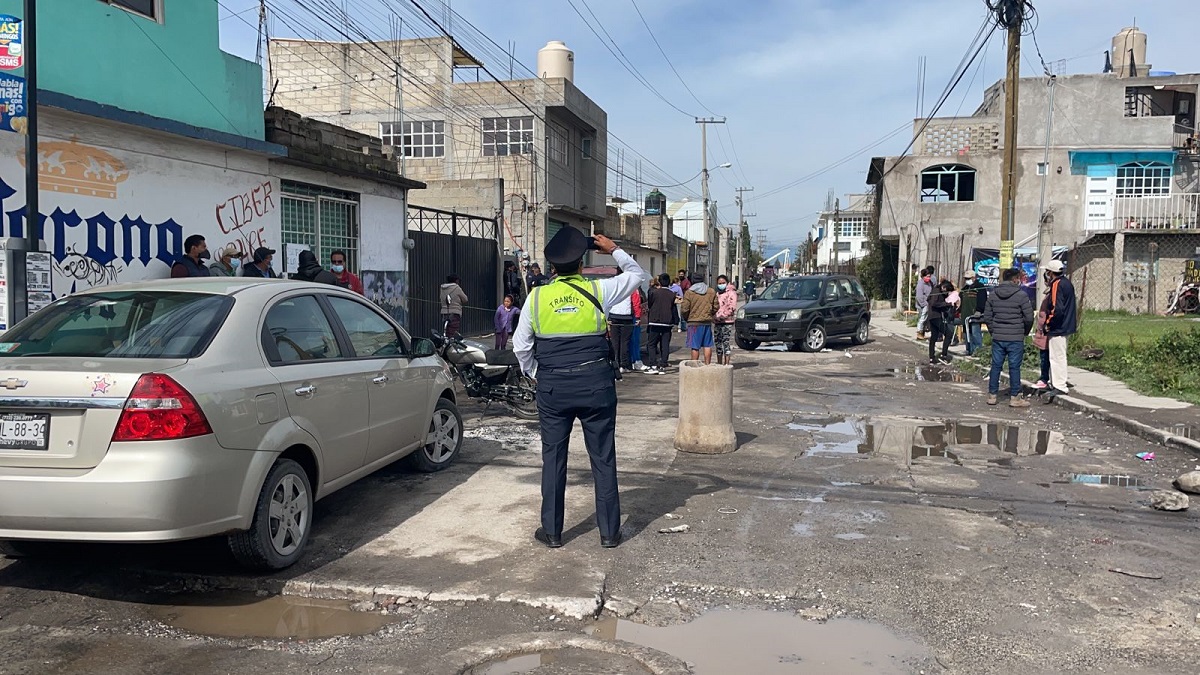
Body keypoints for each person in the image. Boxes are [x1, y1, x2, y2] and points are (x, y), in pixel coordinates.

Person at [511, 228, 647, 550]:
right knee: (603, 458)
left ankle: (554, 533)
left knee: (553, 458)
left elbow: (520, 346)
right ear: (582, 262)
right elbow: (637, 274)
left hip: (554, 389)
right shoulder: (600, 290)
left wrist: (537, 374)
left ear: (553, 267)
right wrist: (613, 248)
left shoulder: (537, 297)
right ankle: (610, 534)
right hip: (597, 386)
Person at [983, 268, 1034, 407]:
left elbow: (987, 317)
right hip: (1016, 336)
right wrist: (1025, 332)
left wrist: (994, 331)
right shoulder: (1021, 296)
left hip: (998, 337)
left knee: (996, 366)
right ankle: (1015, 397)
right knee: (1014, 367)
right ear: (1015, 279)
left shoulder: (993, 295)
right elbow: (1029, 317)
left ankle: (992, 395)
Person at [1042, 260, 1077, 396]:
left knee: (1056, 357)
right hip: (1066, 324)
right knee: (1060, 356)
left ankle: (1059, 385)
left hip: (1058, 326)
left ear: (1050, 272)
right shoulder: (1066, 283)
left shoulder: (1057, 284)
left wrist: (1048, 323)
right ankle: (1058, 382)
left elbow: (1057, 308)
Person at [681, 273, 719, 365]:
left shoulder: (689, 292)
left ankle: (695, 367)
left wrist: (687, 318)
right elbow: (716, 306)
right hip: (706, 322)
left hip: (693, 323)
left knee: (695, 346)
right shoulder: (711, 291)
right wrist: (710, 314)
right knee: (707, 345)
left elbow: (684, 309)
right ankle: (707, 365)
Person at [607, 269, 637, 374]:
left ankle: (615, 364)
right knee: (625, 342)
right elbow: (636, 301)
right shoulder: (631, 286)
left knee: (615, 342)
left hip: (613, 315)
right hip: (627, 316)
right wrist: (637, 317)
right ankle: (624, 365)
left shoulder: (611, 284)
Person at [646, 273, 675, 373]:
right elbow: (673, 307)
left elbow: (650, 305)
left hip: (655, 321)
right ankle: (663, 364)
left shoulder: (654, 293)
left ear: (659, 282)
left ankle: (653, 365)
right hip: (667, 322)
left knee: (652, 344)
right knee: (665, 343)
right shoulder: (672, 294)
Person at [926, 279, 955, 365]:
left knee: (934, 337)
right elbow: (934, 303)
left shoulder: (938, 291)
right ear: (944, 287)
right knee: (948, 333)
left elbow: (931, 301)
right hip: (935, 317)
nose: (947, 293)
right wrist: (947, 304)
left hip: (934, 316)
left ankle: (932, 357)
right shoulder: (936, 291)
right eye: (947, 291)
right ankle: (943, 355)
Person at [960, 270, 988, 357]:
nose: (966, 280)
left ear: (973, 278)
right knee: (966, 333)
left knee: (975, 333)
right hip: (965, 314)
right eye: (965, 279)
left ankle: (978, 350)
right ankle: (969, 349)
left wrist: (979, 310)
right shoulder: (965, 288)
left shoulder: (980, 287)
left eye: (968, 278)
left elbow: (982, 299)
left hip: (974, 314)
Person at [713, 274, 738, 366]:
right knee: (718, 343)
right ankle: (719, 363)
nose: (721, 284)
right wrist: (714, 316)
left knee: (726, 342)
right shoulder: (716, 293)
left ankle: (726, 363)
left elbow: (732, 307)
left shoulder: (731, 293)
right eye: (719, 283)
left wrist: (723, 315)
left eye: (723, 283)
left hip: (727, 321)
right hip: (717, 321)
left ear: (727, 283)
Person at [440, 274, 469, 338]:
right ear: (456, 281)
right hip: (454, 312)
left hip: (444, 312)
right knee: (453, 331)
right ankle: (452, 345)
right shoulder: (457, 288)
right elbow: (465, 299)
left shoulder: (442, 288)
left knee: (446, 331)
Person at [630, 286, 647, 372]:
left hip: (618, 316)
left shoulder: (618, 288)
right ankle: (636, 361)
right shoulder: (634, 290)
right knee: (635, 340)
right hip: (633, 317)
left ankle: (626, 362)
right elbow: (636, 304)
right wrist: (637, 317)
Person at [915, 266, 933, 339]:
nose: (929, 278)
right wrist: (924, 304)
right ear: (923, 276)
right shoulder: (920, 284)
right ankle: (919, 332)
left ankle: (922, 333)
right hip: (923, 304)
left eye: (929, 276)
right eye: (927, 276)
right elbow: (919, 296)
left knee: (925, 319)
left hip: (928, 303)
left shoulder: (929, 283)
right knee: (922, 319)